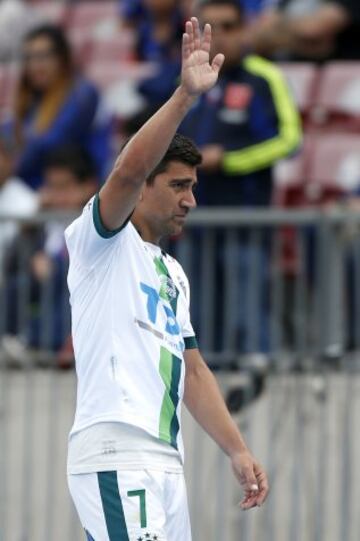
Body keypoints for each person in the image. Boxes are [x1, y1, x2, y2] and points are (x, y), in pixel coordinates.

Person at [65, 17, 268, 540]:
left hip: (165, 463)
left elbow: (194, 372)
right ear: (146, 186)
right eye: (179, 185)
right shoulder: (100, 242)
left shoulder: (172, 273)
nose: (190, 200)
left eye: (194, 187)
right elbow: (127, 172)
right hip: (116, 451)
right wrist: (184, 96)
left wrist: (237, 448)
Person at [180, 0, 301, 354]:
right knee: (196, 312)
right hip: (192, 217)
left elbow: (289, 140)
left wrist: (229, 160)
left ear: (245, 29)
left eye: (229, 27)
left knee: (246, 309)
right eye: (210, 28)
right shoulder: (188, 81)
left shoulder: (265, 77)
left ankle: (256, 375)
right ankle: (205, 384)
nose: (220, 37)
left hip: (246, 217)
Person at [2, 146, 97, 365]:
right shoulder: (41, 224)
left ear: (88, 186)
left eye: (64, 187)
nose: (57, 196)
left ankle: (33, 342)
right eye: (51, 187)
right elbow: (9, 265)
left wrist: (54, 265)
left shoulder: (96, 224)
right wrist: (31, 223)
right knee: (16, 285)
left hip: (77, 299)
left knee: (64, 273)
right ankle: (17, 341)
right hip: (40, 292)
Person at [11, 24, 111, 190]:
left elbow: (53, 141)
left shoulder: (82, 94)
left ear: (62, 58)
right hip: (33, 187)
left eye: (42, 56)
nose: (35, 65)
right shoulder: (33, 100)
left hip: (76, 187)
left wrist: (11, 163)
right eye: (29, 58)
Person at [251, 0, 360, 60]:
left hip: (338, 76)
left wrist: (277, 32)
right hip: (290, 73)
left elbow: (313, 29)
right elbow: (258, 38)